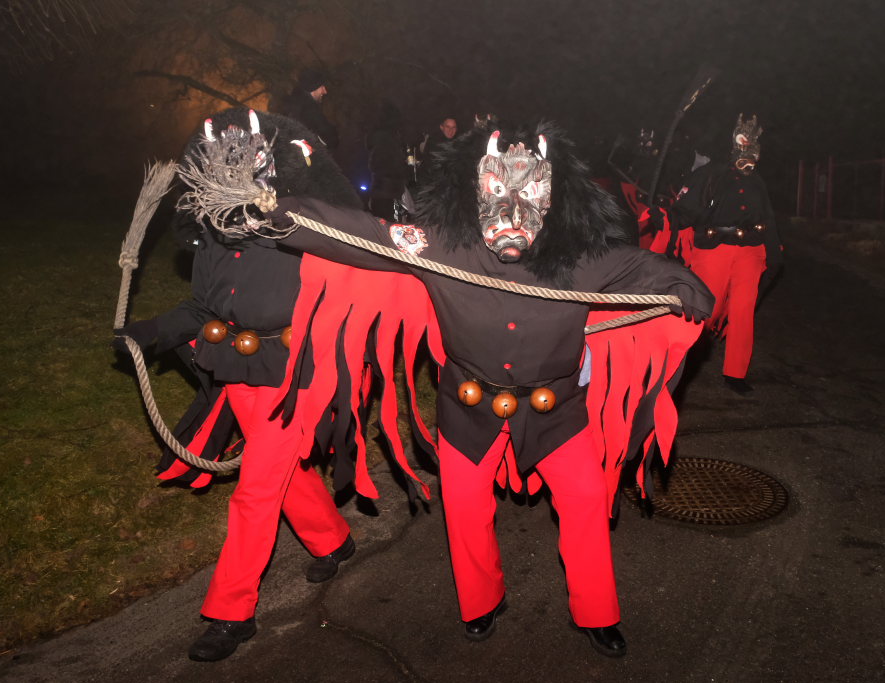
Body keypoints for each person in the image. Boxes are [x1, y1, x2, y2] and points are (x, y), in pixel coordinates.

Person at [237, 123, 715, 658]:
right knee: (464, 509)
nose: (513, 214)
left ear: (553, 200)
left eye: (529, 197)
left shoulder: (584, 257)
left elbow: (650, 267)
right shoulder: (442, 246)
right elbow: (357, 232)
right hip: (469, 412)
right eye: (498, 195)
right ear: (474, 194)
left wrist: (687, 287)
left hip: (558, 415)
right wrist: (276, 210)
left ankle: (597, 611)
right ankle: (481, 602)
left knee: (585, 503)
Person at [116, 109, 362, 662]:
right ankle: (332, 539)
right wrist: (149, 332)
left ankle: (231, 612)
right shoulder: (212, 237)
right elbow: (202, 307)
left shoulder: (299, 227)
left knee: (255, 489)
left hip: (294, 372)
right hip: (237, 367)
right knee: (279, 474)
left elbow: (351, 275)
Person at [669, 114, 782, 394]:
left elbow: (768, 217)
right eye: (744, 142)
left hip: (751, 252)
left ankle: (735, 372)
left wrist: (773, 250)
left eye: (753, 143)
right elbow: (685, 209)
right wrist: (667, 217)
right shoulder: (710, 174)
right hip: (714, 249)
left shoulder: (757, 182)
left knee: (743, 311)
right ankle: (684, 363)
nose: (749, 148)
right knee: (707, 308)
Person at [272, 67, 339, 149]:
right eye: (322, 87)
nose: (325, 91)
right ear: (313, 88)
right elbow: (328, 138)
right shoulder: (310, 112)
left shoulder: (293, 106)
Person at [366, 100, 409, 220]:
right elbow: (394, 162)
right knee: (387, 218)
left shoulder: (376, 135)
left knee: (380, 218)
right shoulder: (390, 138)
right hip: (389, 185)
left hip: (379, 184)